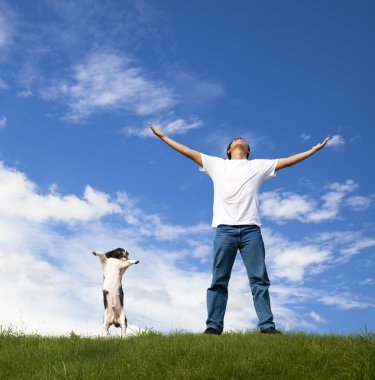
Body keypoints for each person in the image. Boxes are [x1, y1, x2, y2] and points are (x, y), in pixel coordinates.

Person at [148, 121, 329, 335]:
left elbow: (288, 161)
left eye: (243, 141)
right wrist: (163, 137)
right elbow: (187, 151)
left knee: (259, 279)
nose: (239, 140)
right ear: (228, 150)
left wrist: (313, 150)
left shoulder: (258, 166)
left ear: (248, 151)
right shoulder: (217, 165)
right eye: (235, 141)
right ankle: (213, 326)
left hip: (251, 230)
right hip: (224, 230)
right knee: (219, 280)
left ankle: (267, 326)